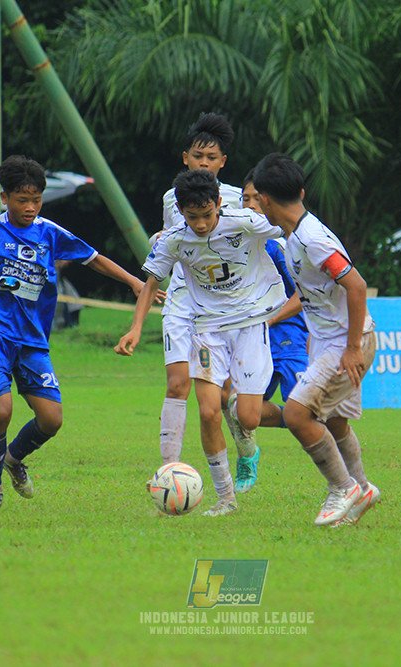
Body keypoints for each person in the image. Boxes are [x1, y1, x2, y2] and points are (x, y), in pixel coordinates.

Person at [0, 155, 148, 511]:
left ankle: (13, 459)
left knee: (51, 419)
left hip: (33, 340)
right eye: (22, 200)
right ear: (5, 198)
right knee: (0, 412)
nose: (30, 207)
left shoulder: (50, 233)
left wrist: (134, 281)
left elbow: (93, 258)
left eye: (36, 200)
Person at [115, 169, 285, 517]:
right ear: (181, 210)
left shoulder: (245, 222)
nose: (202, 224)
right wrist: (135, 328)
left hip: (251, 324)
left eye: (207, 215)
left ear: (219, 204)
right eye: (193, 217)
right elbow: (151, 282)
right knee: (208, 412)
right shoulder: (175, 238)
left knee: (248, 418)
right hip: (207, 328)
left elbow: (290, 227)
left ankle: (287, 419)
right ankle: (226, 499)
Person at [252, 152, 380, 527]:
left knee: (296, 414)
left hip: (345, 343)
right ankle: (361, 488)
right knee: (335, 421)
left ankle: (342, 489)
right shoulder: (295, 237)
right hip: (332, 342)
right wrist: (269, 318)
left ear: (265, 200)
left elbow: (355, 285)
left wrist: (353, 347)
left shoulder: (311, 240)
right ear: (302, 191)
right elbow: (309, 293)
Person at [155, 113, 248, 478]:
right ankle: (168, 473)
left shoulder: (238, 199)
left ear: (223, 162)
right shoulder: (171, 198)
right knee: (177, 384)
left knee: (223, 397)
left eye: (211, 158)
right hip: (181, 299)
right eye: (198, 156)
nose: (204, 163)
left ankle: (242, 440)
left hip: (224, 305)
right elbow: (170, 241)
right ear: (185, 158)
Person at [221, 170, 310, 493]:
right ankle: (250, 451)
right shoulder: (235, 242)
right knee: (239, 409)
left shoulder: (280, 246)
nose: (252, 204)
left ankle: (341, 472)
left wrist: (269, 320)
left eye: (258, 198)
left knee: (306, 408)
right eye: (246, 198)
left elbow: (303, 294)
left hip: (288, 337)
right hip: (250, 336)